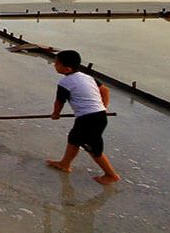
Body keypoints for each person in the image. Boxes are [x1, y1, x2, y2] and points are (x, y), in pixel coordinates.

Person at [46, 49, 121, 185]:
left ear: (67, 69)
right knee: (74, 139)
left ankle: (111, 175)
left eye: (56, 64)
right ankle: (65, 163)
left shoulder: (65, 82)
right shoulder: (87, 77)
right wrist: (103, 107)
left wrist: (55, 114)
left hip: (89, 119)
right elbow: (105, 90)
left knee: (93, 148)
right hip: (96, 116)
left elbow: (59, 102)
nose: (54, 65)